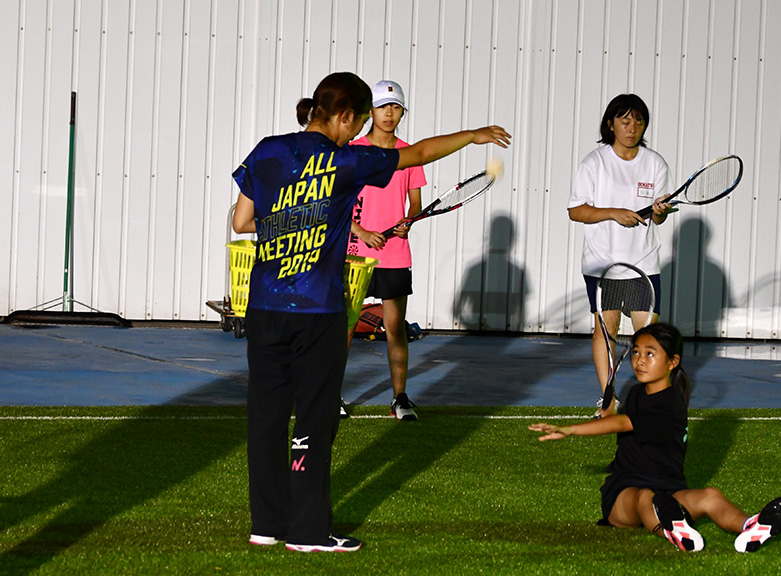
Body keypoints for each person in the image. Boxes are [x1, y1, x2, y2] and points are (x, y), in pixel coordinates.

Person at [231, 71, 510, 553]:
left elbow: (241, 221)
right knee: (315, 419)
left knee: (268, 416)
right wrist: (472, 135)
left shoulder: (267, 150)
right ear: (342, 116)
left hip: (265, 304)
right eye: (356, 121)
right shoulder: (350, 161)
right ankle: (309, 533)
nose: (356, 130)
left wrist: (292, 218)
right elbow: (418, 153)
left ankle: (267, 524)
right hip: (317, 309)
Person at [529, 323, 781, 553]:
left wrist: (570, 429)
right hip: (624, 494)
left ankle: (750, 527)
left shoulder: (670, 404)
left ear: (672, 362)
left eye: (650, 354)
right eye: (636, 352)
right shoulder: (636, 392)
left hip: (669, 491)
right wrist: (608, 408)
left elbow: (622, 423)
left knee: (710, 495)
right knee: (646, 497)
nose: (639, 360)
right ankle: (674, 529)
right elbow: (618, 417)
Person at [567, 94, 674, 418]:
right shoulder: (595, 162)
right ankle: (609, 399)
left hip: (643, 262)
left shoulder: (655, 163)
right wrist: (614, 213)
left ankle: (653, 401)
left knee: (651, 337)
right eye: (625, 121)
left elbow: (658, 218)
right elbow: (576, 211)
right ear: (611, 124)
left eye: (638, 121)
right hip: (603, 264)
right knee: (606, 331)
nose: (632, 127)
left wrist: (660, 211)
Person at [344, 80, 422, 421]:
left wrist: (409, 220)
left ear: (402, 111)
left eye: (395, 107)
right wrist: (362, 231)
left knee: (395, 326)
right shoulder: (352, 151)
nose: (389, 114)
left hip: (394, 254)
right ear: (370, 112)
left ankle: (400, 398)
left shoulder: (409, 155)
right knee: (344, 328)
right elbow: (337, 204)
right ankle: (332, 397)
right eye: (382, 107)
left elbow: (415, 204)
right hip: (354, 253)